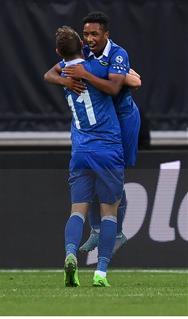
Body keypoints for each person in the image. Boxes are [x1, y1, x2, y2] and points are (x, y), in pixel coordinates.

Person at [44, 12, 142, 255]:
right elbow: (49, 74)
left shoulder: (117, 54)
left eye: (94, 34)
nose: (89, 39)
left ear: (106, 35)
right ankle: (98, 230)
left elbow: (126, 84)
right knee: (96, 174)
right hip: (101, 122)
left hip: (123, 118)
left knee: (115, 175)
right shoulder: (84, 53)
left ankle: (116, 233)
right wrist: (66, 82)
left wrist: (88, 75)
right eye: (86, 34)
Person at [54, 26, 125, 287]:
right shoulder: (94, 68)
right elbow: (123, 83)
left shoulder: (64, 70)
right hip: (107, 148)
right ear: (83, 45)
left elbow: (49, 74)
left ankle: (70, 253)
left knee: (77, 212)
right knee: (109, 214)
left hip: (81, 150)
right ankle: (101, 272)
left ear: (58, 52)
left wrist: (62, 78)